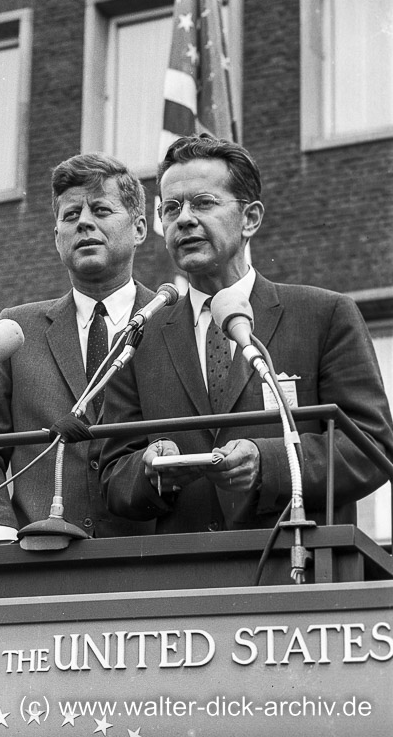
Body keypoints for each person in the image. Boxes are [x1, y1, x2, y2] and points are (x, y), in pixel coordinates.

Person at [99, 134, 393, 533]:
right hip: (183, 580)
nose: (183, 218)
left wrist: (267, 461)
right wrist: (151, 469)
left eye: (203, 203)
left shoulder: (324, 315)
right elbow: (114, 476)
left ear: (250, 218)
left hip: (298, 572)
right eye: (171, 208)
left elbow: (371, 447)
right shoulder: (139, 337)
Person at [0, 152, 157, 543]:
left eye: (100, 209)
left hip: (149, 561)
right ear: (57, 238)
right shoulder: (16, 330)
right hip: (40, 561)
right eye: (70, 216)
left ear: (139, 228)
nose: (84, 222)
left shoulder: (171, 322)